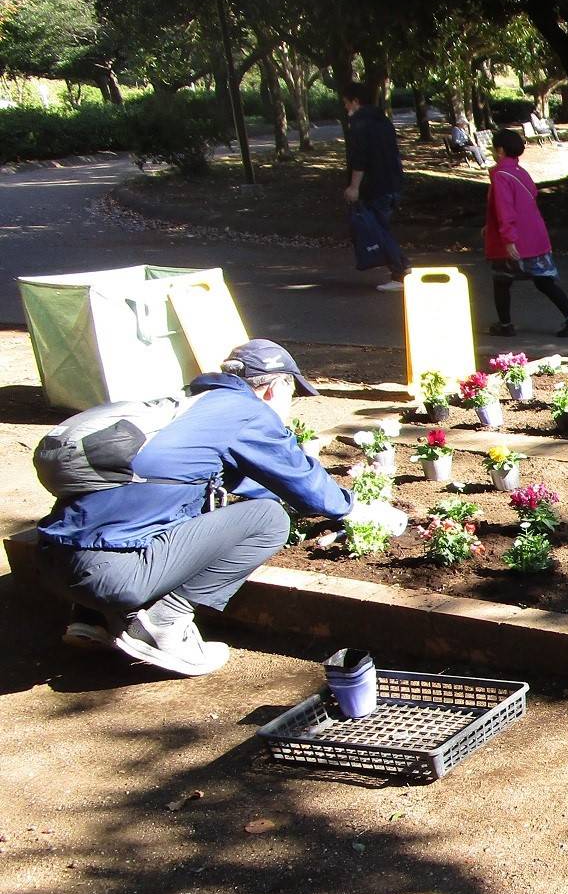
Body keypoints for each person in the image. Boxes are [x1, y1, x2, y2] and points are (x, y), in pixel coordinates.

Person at [35, 340, 355, 678]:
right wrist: (351, 507)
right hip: (113, 577)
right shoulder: (244, 412)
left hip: (54, 566)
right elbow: (308, 488)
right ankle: (164, 625)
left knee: (164, 507)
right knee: (269, 519)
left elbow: (244, 482)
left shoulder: (189, 408)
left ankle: (92, 620)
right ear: (276, 387)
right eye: (293, 394)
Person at [484, 128, 568, 338]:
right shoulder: (520, 173)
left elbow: (505, 209)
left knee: (501, 280)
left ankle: (505, 324)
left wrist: (508, 239)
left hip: (514, 240)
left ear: (500, 150)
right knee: (544, 281)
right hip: (535, 237)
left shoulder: (501, 176)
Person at [341, 82, 410, 290]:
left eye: (346, 103)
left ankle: (400, 272)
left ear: (355, 101)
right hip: (393, 181)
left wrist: (354, 187)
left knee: (378, 229)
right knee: (382, 227)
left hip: (375, 185)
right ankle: (400, 268)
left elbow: (360, 159)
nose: (345, 108)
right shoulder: (383, 120)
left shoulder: (359, 124)